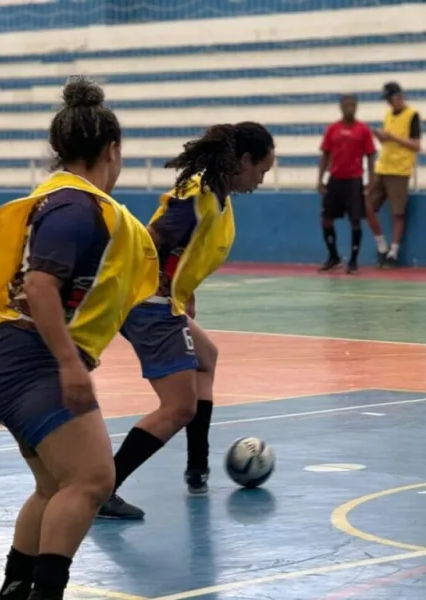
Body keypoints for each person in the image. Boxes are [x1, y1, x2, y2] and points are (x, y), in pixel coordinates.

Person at [0, 76, 159, 600]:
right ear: (111, 150)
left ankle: (15, 588)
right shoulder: (77, 208)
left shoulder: (62, 202)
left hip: (9, 361)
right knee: (93, 482)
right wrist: (70, 365)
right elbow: (39, 286)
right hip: (30, 361)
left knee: (54, 487)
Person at [97, 122, 275, 520]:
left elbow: (185, 248)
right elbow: (154, 238)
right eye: (261, 170)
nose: (262, 179)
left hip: (162, 300)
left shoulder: (217, 196)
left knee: (206, 357)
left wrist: (183, 287)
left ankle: (197, 468)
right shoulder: (199, 194)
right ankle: (103, 489)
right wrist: (159, 286)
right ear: (243, 161)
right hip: (149, 304)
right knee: (178, 408)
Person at [317, 93, 376, 274]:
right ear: (341, 107)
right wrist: (320, 179)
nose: (350, 107)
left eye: (353, 104)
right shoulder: (332, 129)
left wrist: (371, 180)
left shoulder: (363, 130)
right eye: (347, 104)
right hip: (335, 179)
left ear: (356, 107)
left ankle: (353, 261)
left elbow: (371, 155)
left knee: (355, 221)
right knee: (327, 220)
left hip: (354, 180)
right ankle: (333, 256)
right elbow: (325, 154)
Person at [366, 81, 422, 268]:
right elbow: (389, 141)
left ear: (398, 97)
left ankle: (393, 252)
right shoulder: (388, 115)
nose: (389, 104)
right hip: (383, 167)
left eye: (391, 99)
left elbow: (416, 145)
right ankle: (381, 246)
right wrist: (382, 138)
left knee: (398, 212)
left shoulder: (412, 115)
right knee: (367, 206)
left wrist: (392, 138)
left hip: (400, 170)